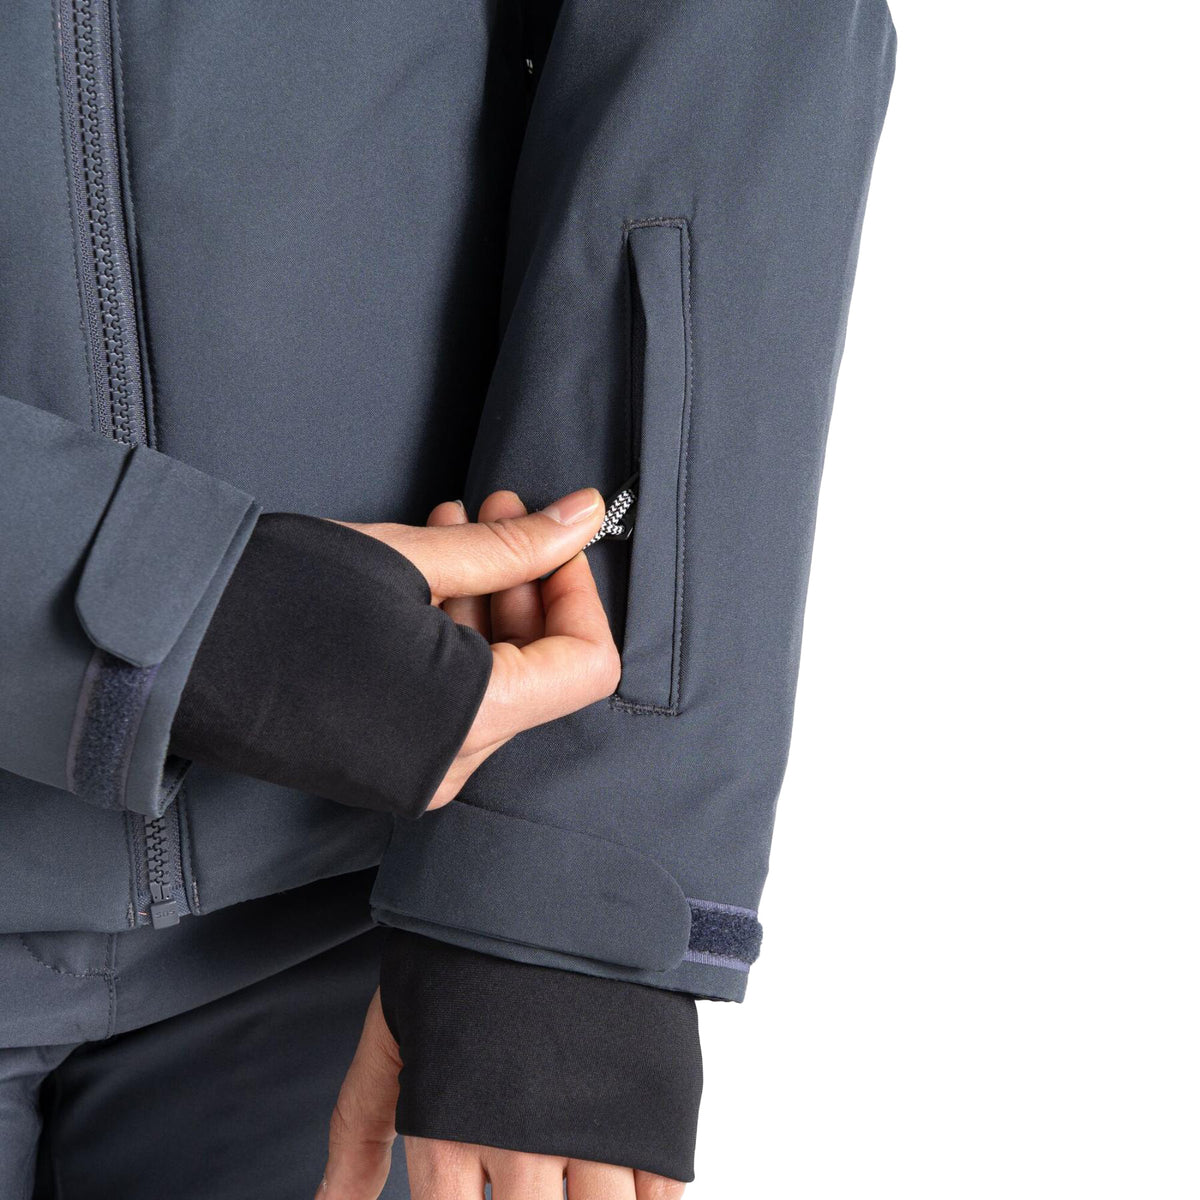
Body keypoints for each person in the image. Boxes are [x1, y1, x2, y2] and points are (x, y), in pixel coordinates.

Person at [0, 1, 896, 1196]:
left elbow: (731, 44)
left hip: (382, 894)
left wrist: (566, 872)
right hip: (378, 781)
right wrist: (159, 600)